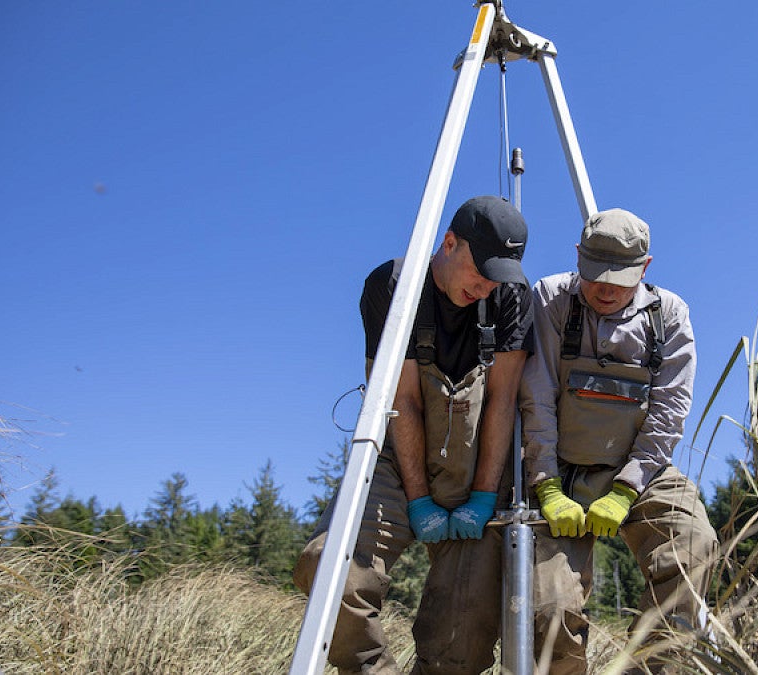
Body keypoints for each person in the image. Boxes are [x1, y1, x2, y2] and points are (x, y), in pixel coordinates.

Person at [294, 195, 533, 674]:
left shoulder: (511, 295)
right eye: (480, 270)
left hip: (477, 470)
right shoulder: (393, 287)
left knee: (460, 641)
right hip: (399, 464)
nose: (487, 287)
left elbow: (503, 400)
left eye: (498, 276)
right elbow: (402, 400)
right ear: (448, 242)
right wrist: (419, 500)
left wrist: (485, 497)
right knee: (329, 572)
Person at [519, 208, 719, 674]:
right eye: (594, 276)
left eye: (620, 278)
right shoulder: (551, 299)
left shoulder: (668, 314)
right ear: (577, 258)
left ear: (645, 267)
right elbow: (537, 395)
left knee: (694, 545)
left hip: (641, 470)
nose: (605, 289)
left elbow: (669, 412)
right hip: (560, 472)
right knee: (550, 611)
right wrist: (546, 484)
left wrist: (627, 489)